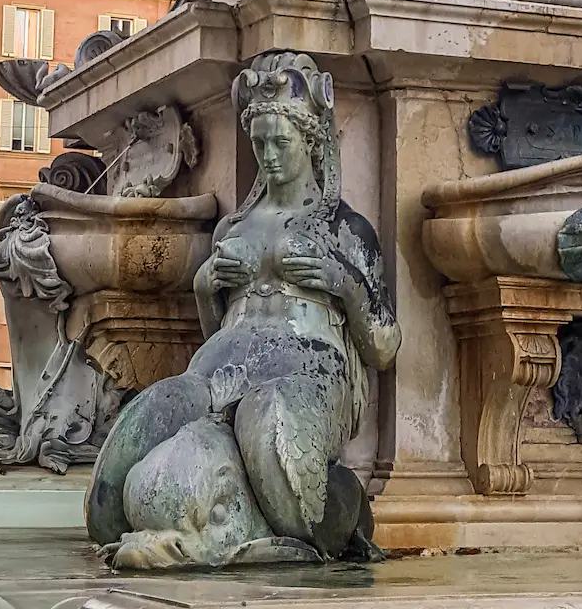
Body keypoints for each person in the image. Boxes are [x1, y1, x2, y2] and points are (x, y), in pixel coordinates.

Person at [87, 51, 400, 569]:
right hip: (219, 368)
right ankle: (216, 519)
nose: (270, 156)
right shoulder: (233, 227)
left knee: (267, 423)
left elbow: (385, 346)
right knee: (143, 429)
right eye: (259, 144)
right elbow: (213, 327)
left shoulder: (346, 228)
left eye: (282, 142)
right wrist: (206, 283)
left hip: (306, 373)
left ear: (313, 140)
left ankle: (314, 509)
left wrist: (345, 286)